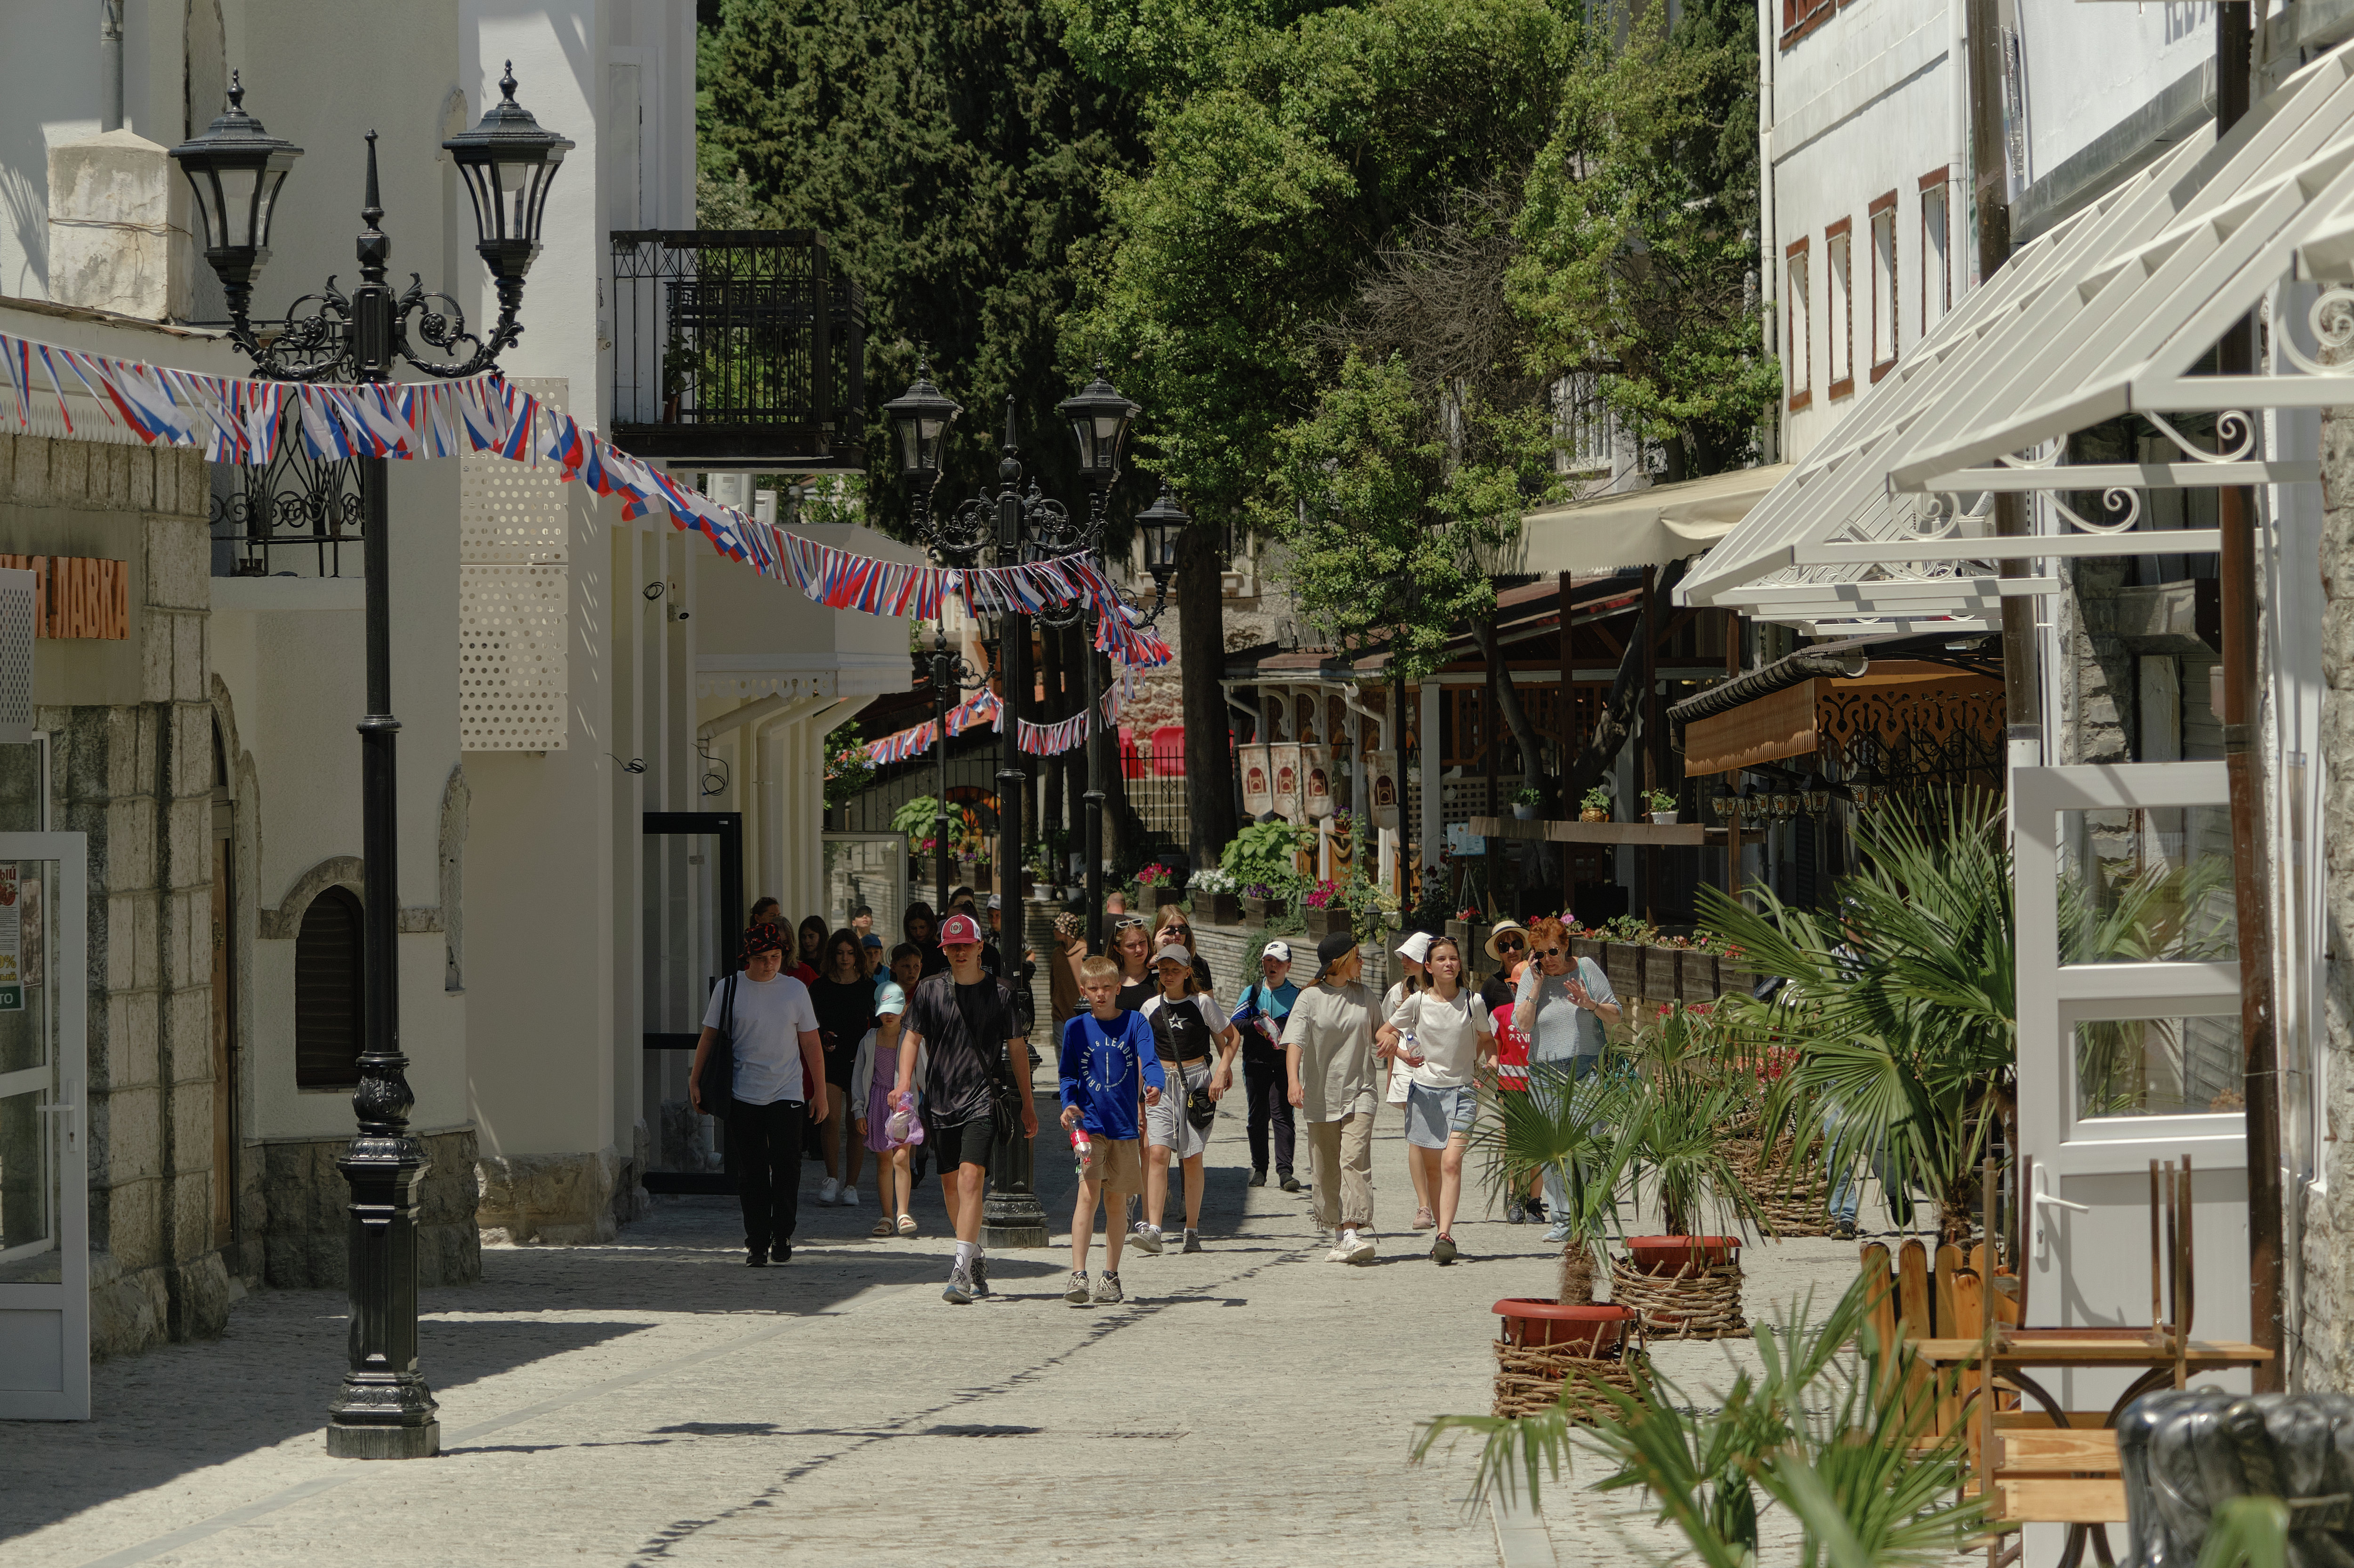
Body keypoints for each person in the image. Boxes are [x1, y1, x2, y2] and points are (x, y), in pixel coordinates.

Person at [894, 911, 1036, 1304]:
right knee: (951, 1186)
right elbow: (910, 1038)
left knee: (972, 1179)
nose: (958, 952)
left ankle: (959, 1270)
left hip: (981, 1100)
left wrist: (1027, 1103)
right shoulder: (928, 990)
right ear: (944, 950)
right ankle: (973, 1253)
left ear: (979, 947)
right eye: (951, 946)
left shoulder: (1003, 994)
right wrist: (905, 1083)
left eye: (964, 945)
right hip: (940, 1100)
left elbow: (1018, 1050)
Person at [689, 922, 827, 1266]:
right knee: (751, 1173)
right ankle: (756, 1242)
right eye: (763, 958)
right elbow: (709, 1037)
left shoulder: (795, 991)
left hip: (787, 1090)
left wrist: (820, 1092)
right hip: (743, 1092)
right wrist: (695, 1080)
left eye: (776, 957)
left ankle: (783, 1233)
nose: (769, 964)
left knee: (787, 1166)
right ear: (747, 958)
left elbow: (811, 1043)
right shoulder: (729, 988)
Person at [1379, 936, 1494, 1263]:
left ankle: (1445, 1235)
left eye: (1454, 958)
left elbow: (1488, 1041)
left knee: (1451, 1162)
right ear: (1428, 967)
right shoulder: (1416, 1002)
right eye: (1441, 959)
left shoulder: (1475, 1002)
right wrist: (1400, 1052)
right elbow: (1384, 1031)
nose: (1449, 964)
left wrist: (1493, 1063)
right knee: (1433, 1169)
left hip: (1464, 1091)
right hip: (1426, 1092)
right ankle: (1432, 1217)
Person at [1058, 955, 1166, 1305]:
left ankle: (1111, 1275)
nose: (1101, 994)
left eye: (1107, 987)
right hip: (1088, 1128)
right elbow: (1068, 1075)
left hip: (1124, 1126)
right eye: (1094, 989)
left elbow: (1149, 1059)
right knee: (1087, 1195)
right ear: (1083, 991)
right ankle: (1078, 1274)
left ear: (1118, 988)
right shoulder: (1075, 1028)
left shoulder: (1136, 1023)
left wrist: (1154, 1084)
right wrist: (1067, 1104)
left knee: (1116, 1201)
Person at [1514, 916, 1620, 1244]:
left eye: (1553, 952)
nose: (1549, 959)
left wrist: (1589, 1004)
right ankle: (1562, 1219)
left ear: (1566, 945)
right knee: (1554, 1150)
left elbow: (1615, 1014)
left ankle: (1591, 1216)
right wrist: (1535, 983)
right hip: (1544, 1073)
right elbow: (1523, 1025)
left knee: (1589, 1146)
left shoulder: (1586, 968)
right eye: (1541, 953)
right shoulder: (1534, 978)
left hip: (1585, 1068)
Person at [1282, 931, 1379, 1264]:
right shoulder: (1310, 998)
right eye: (1358, 956)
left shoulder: (1365, 995)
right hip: (1321, 1094)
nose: (1363, 962)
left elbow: (1381, 1030)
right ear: (1340, 962)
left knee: (1353, 1158)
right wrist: (1293, 1081)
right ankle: (1339, 1234)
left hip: (1361, 1089)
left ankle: (1352, 1232)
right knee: (1325, 1168)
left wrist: (1399, 1045)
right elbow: (1295, 1042)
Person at [1135, 943, 1238, 1254]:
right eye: (1164, 969)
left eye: (1175, 970)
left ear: (1187, 972)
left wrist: (1221, 1071)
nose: (1169, 975)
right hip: (1160, 1084)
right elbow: (1143, 1053)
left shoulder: (1202, 1003)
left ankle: (1191, 1229)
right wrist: (1141, 1093)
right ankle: (1154, 1228)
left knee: (1192, 1158)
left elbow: (1233, 1037)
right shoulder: (1149, 1007)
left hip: (1196, 1083)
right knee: (1157, 1153)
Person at [853, 943, 924, 1237]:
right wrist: (859, 1108)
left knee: (901, 1158)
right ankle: (886, 1215)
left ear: (905, 1009)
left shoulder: (912, 1038)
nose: (889, 1017)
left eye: (895, 1011)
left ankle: (903, 1212)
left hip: (903, 1105)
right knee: (884, 1159)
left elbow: (923, 1073)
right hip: (878, 1104)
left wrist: (924, 1104)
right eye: (885, 1012)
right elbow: (859, 1076)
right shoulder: (869, 1040)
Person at [1483, 922, 1544, 1224]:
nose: (1511, 950)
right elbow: (1491, 1042)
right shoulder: (1496, 1001)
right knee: (1513, 1143)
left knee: (1537, 1144)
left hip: (1539, 1082)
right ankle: (1515, 1198)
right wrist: (1490, 1065)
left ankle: (1534, 1200)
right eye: (1504, 946)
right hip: (1510, 1083)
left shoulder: (1544, 1004)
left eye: (1515, 944)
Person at [809, 930, 875, 1207]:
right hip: (830, 1059)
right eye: (839, 953)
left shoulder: (869, 988)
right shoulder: (819, 987)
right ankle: (832, 1178)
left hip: (860, 1061)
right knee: (831, 1119)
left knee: (857, 1124)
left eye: (850, 953)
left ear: (857, 955)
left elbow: (881, 1025)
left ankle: (851, 1185)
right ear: (832, 955)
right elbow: (810, 1026)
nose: (845, 958)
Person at [1230, 940, 1300, 1191]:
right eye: (1268, 961)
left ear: (1288, 966)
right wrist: (1257, 1026)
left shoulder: (1297, 995)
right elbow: (1235, 1024)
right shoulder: (1252, 993)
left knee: (1283, 1116)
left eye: (1278, 962)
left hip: (1283, 1065)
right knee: (1257, 1118)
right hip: (1255, 1064)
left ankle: (1285, 1172)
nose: (1273, 966)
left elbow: (1304, 1030)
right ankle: (1259, 1169)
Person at [1383, 930, 1436, 1230]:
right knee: (1417, 1136)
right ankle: (1423, 1206)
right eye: (1403, 956)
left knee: (1439, 1140)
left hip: (1441, 1069)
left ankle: (1438, 1197)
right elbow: (1389, 1034)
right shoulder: (1397, 993)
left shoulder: (1447, 990)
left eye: (1411, 956)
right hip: (1408, 1067)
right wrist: (1395, 1067)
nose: (1404, 961)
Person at [1153, 905, 1217, 993]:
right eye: (1170, 930)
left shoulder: (1199, 965)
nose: (1178, 934)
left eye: (1182, 929)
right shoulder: (1149, 964)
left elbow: (1208, 1003)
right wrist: (1160, 954)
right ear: (1160, 932)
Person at [1048, 911, 1087, 1028]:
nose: (1054, 931)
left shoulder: (1085, 953)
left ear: (1066, 932)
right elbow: (1053, 983)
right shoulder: (1057, 954)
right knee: (1061, 1047)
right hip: (1059, 1016)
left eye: (1057, 928)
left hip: (1081, 1016)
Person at [1110, 917, 1155, 1013]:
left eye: (1142, 942)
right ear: (1118, 949)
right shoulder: (1110, 980)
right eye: (1131, 946)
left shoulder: (1159, 975)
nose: (1139, 949)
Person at [903, 901, 946, 977]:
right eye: (913, 928)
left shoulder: (941, 951)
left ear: (930, 925)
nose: (918, 932)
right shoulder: (905, 951)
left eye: (922, 927)